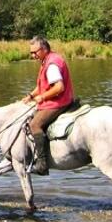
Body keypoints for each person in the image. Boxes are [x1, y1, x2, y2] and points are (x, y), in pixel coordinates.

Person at [22, 36, 75, 175]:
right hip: (57, 100)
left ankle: (42, 164)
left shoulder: (51, 64)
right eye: (31, 53)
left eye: (35, 52)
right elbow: (42, 86)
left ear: (44, 49)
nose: (33, 55)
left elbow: (59, 87)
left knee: (34, 125)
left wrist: (42, 97)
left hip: (59, 102)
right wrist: (31, 96)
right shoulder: (47, 60)